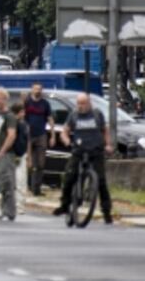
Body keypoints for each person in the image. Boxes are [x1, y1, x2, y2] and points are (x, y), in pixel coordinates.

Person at [52, 92, 113, 224]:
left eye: (83, 103)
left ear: (89, 103)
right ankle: (65, 205)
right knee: (69, 176)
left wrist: (108, 144)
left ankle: (106, 211)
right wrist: (66, 140)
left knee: (101, 181)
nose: (81, 106)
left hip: (96, 151)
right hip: (79, 150)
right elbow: (65, 131)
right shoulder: (74, 115)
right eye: (79, 103)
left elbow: (105, 130)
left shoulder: (97, 114)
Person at [0, 88, 18, 223]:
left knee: (7, 183)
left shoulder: (9, 116)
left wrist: (2, 150)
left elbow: (11, 135)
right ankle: (3, 211)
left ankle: (10, 212)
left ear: (5, 99)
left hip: (5, 154)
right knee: (1, 184)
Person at [24, 83, 54, 197]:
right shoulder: (27, 102)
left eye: (40, 89)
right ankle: (28, 186)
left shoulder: (45, 104)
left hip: (41, 134)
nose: (38, 91)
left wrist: (52, 135)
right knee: (29, 162)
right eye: (36, 89)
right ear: (32, 89)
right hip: (29, 135)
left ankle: (37, 188)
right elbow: (21, 117)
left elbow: (50, 118)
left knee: (41, 163)